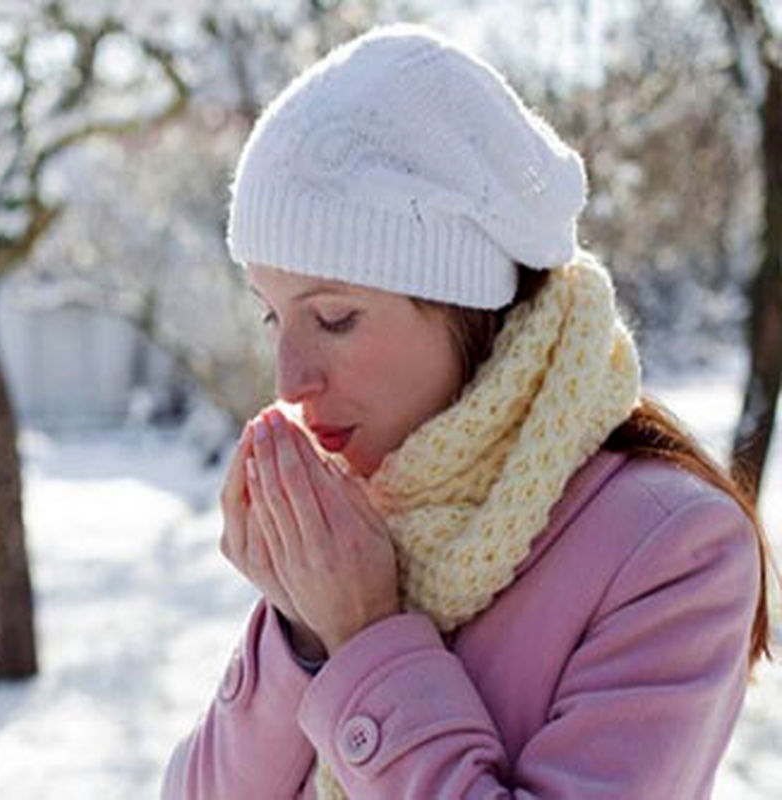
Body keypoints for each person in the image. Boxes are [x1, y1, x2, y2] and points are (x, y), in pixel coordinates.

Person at [161, 22, 773, 799]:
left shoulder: (674, 549)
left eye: (336, 319)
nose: (290, 378)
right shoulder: (370, 511)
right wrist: (302, 633)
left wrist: (366, 638)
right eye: (273, 317)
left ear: (465, 305)